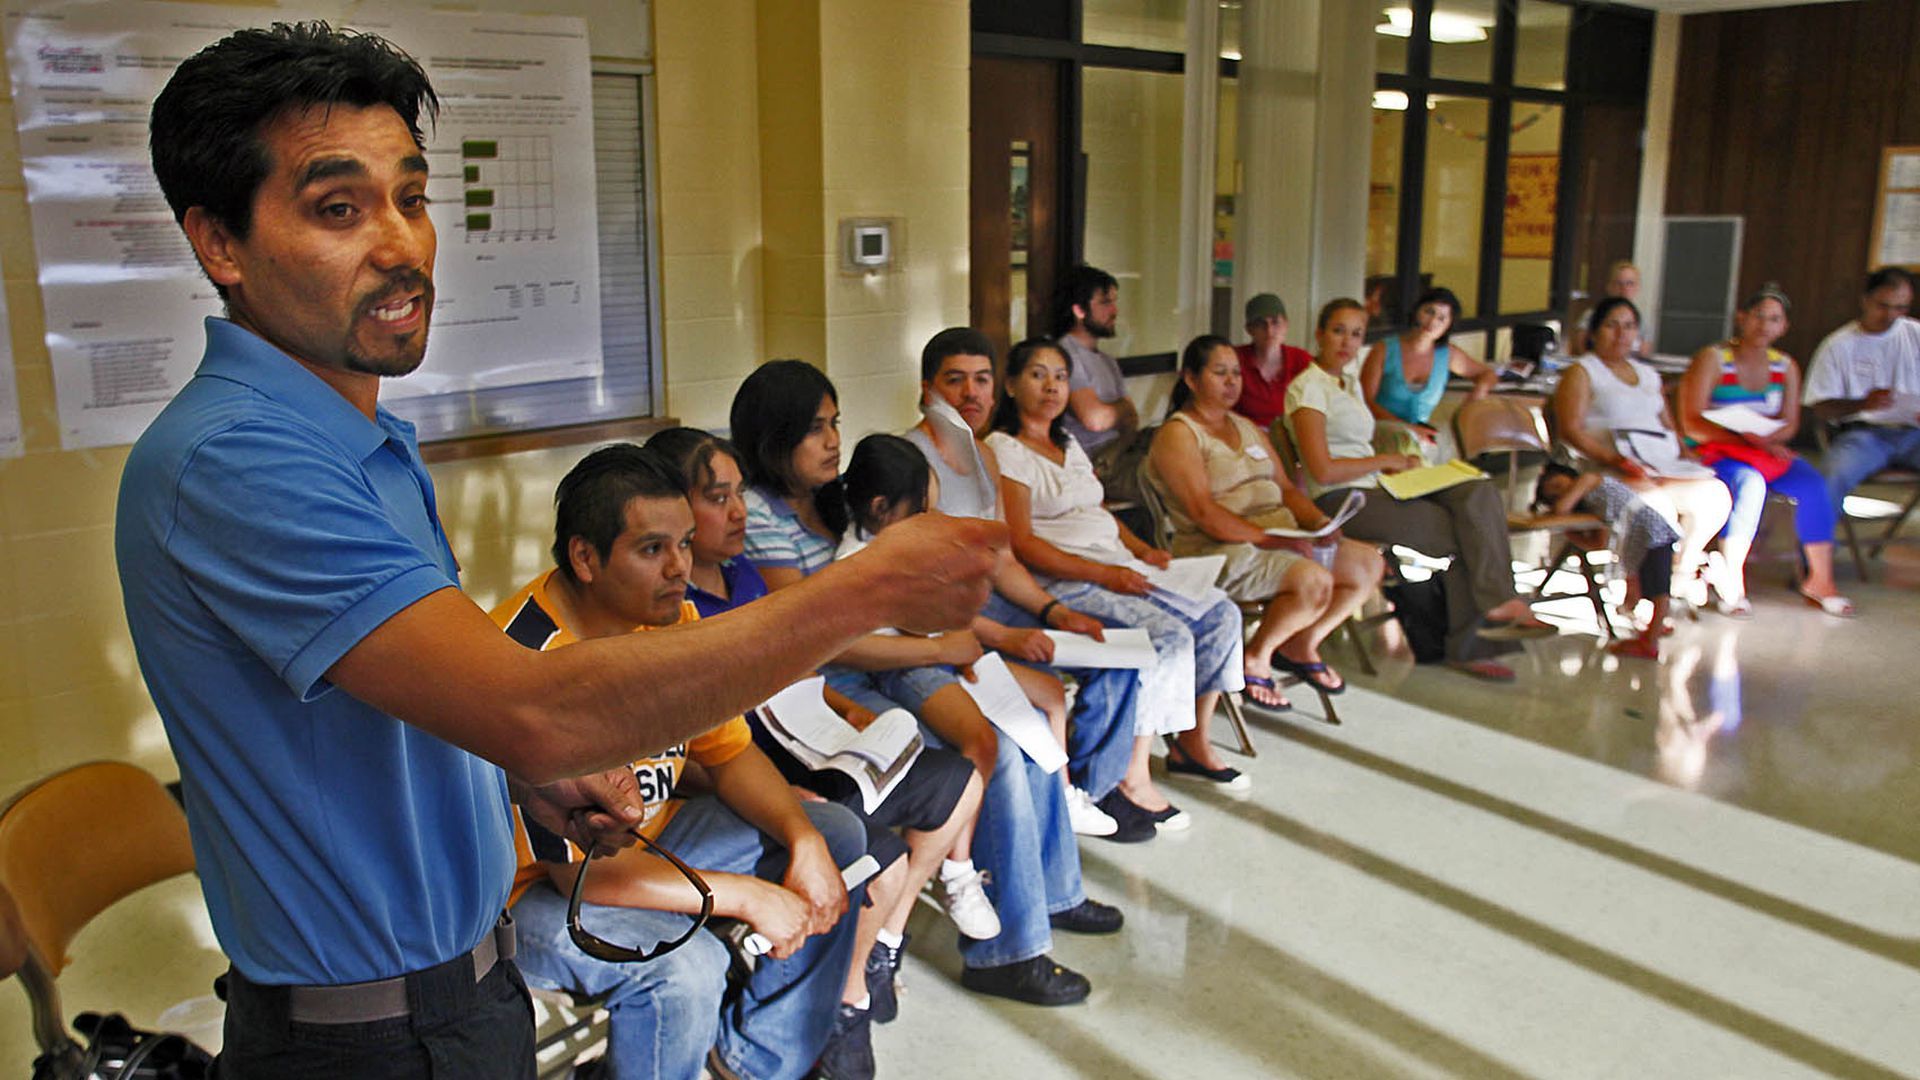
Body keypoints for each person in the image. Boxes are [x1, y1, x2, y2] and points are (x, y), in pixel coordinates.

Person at [118, 24, 997, 1076]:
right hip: (369, 1038)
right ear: (220, 242)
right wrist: (861, 593)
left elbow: (406, 718)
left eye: (412, 195)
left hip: (459, 991)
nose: (401, 244)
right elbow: (536, 708)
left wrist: (515, 788)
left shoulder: (360, 444)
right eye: (338, 208)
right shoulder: (237, 460)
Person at [731, 360, 1120, 1008]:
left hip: (895, 652)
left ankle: (1050, 896)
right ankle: (1009, 951)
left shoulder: (841, 497)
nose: (833, 441)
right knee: (995, 752)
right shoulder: (760, 517)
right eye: (815, 429)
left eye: (835, 425)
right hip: (829, 680)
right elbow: (811, 632)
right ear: (774, 439)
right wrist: (939, 644)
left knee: (1027, 728)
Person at [492, 444, 874, 1080]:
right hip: (531, 901)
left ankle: (752, 1061)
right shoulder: (535, 666)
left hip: (648, 844)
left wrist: (803, 840)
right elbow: (585, 877)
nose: (679, 568)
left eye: (686, 544)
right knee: (686, 970)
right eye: (652, 550)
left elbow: (727, 754)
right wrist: (748, 897)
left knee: (834, 834)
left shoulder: (669, 620)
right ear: (585, 557)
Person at [650, 427, 993, 1032]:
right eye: (717, 498)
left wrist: (847, 707)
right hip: (766, 759)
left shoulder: (745, 579)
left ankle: (883, 943)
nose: (737, 513)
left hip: (809, 737)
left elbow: (795, 666)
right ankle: (846, 1000)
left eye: (739, 495)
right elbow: (697, 748)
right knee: (869, 851)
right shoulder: (670, 617)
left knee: (961, 779)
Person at [903, 328, 1144, 840]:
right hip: (951, 624)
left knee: (1122, 652)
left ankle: (1090, 790)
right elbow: (916, 596)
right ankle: (1063, 801)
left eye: (981, 380)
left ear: (994, 390)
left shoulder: (983, 456)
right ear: (927, 388)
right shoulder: (912, 464)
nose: (971, 393)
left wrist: (1054, 610)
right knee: (1040, 702)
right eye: (956, 381)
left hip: (999, 603)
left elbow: (1005, 559)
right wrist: (1003, 635)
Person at [989, 338, 1251, 800]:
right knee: (1168, 640)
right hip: (1068, 580)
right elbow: (1023, 543)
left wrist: (1144, 551)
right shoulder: (1005, 449)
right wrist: (1103, 574)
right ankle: (1133, 776)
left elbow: (1100, 511)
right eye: (1037, 375)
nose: (1052, 387)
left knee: (1221, 615)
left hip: (1118, 565)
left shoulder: (1066, 443)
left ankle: (1191, 744)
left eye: (1061, 376)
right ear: (1010, 385)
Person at [1287, 300, 1554, 682]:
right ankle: (1471, 642)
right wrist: (1385, 461)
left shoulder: (1345, 383)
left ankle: (1499, 603)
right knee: (1472, 534)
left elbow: (1359, 439)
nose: (1347, 342)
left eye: (1356, 334)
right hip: (1344, 498)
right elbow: (1323, 470)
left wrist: (1403, 442)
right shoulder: (1308, 388)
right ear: (1319, 334)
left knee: (1478, 493)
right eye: (1338, 331)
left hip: (1380, 485)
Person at [1148, 334, 1386, 715]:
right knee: (1313, 580)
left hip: (1280, 535)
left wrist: (1318, 521)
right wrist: (1271, 540)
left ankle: (1299, 643)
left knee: (1367, 564)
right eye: (1219, 373)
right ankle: (1256, 657)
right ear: (1191, 379)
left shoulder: (1246, 426)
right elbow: (1203, 512)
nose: (1231, 383)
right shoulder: (1179, 434)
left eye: (1236, 374)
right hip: (1220, 548)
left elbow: (1287, 489)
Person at [1678, 285, 1851, 617]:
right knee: (1750, 484)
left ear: (1783, 327)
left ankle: (1821, 579)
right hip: (1718, 450)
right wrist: (1743, 438)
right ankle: (1732, 578)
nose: (1764, 326)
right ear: (1742, 318)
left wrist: (1768, 440)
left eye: (1774, 319)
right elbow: (1691, 422)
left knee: (1814, 485)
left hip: (1764, 450)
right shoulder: (1714, 359)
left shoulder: (1785, 366)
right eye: (1758, 316)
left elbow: (1789, 422)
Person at [1551, 297, 1732, 602]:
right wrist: (1612, 458)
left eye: (1629, 326)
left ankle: (1678, 574)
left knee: (1714, 497)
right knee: (1655, 508)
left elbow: (1668, 425)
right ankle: (1642, 593)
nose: (1621, 334)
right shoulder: (1583, 372)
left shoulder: (1648, 374)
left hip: (1659, 463)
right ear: (1594, 331)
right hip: (1609, 467)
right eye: (1612, 325)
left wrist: (1684, 456)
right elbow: (1571, 430)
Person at [1804, 267, 1920, 540]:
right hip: (1863, 434)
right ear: (1865, 300)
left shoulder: (1915, 334)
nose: (1891, 315)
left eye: (1900, 308)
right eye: (1883, 306)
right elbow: (1820, 408)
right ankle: (1814, 563)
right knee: (1829, 478)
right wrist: (1862, 403)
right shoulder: (1839, 345)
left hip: (1914, 432)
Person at [1533, 462, 1681, 660]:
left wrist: (1555, 511)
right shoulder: (1595, 504)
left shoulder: (1588, 479)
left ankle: (1651, 642)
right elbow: (1597, 544)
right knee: (1650, 588)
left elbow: (1562, 509)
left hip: (1651, 531)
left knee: (1659, 591)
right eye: (1555, 493)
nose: (1564, 491)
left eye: (1559, 484)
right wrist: (1571, 534)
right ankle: (1651, 631)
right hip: (1641, 536)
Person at [1359, 286, 1498, 455]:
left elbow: (1488, 374)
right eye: (1429, 312)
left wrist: (1479, 390)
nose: (1432, 322)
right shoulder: (1384, 349)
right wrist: (1407, 428)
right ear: (1417, 311)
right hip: (1380, 430)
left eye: (1441, 318)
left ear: (1449, 325)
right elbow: (1365, 401)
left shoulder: (1447, 354)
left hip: (1421, 435)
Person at [1054, 264, 1141, 494]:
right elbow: (1094, 418)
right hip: (1093, 461)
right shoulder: (1065, 354)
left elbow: (1132, 419)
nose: (1114, 311)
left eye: (1114, 301)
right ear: (1079, 310)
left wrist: (1115, 411)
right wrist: (1121, 409)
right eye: (1105, 303)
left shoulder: (1108, 361)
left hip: (1122, 450)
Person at [1232, 293, 1315, 431]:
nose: (1269, 330)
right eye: (1261, 324)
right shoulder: (1235, 359)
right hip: (1247, 439)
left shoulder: (1302, 360)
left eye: (1275, 322)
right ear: (1249, 329)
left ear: (1286, 325)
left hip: (1292, 439)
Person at [1566, 260, 1650, 357]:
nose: (1624, 288)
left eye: (1630, 284)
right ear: (1610, 286)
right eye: (1619, 283)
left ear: (1637, 288)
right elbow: (1579, 346)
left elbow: (1644, 352)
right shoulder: (1592, 314)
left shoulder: (1641, 319)